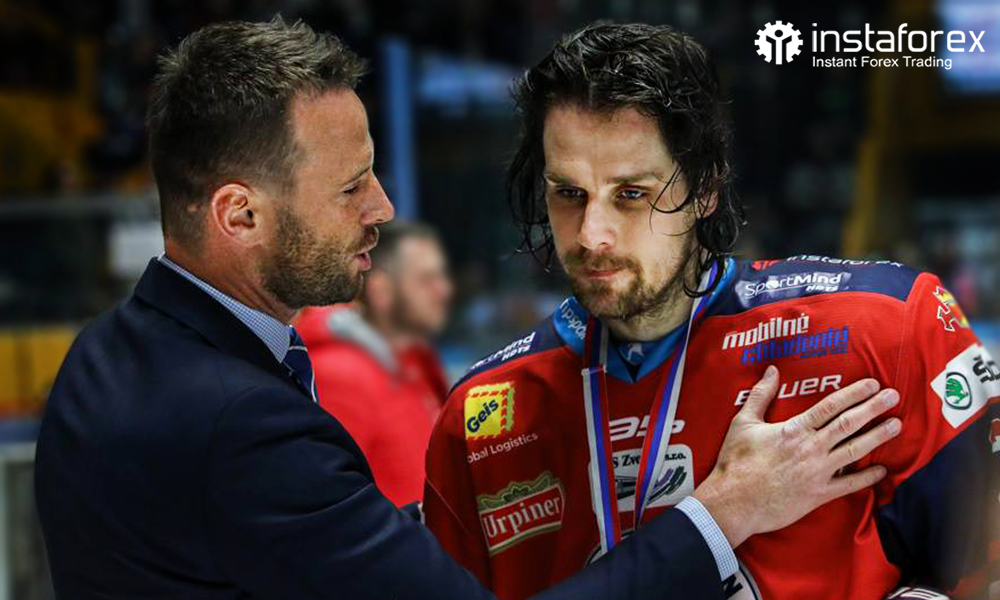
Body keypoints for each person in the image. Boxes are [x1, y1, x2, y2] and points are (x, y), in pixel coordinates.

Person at [34, 17, 898, 600]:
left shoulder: (104, 356)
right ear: (239, 214)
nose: (382, 205)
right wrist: (725, 511)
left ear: (703, 190)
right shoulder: (239, 426)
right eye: (350, 185)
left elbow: (296, 549)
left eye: (632, 192)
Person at [423, 21, 999, 600]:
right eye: (569, 194)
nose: (592, 234)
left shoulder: (887, 326)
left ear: (704, 189)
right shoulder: (480, 421)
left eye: (632, 194)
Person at [295, 221, 452, 506]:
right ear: (382, 291)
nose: (444, 291)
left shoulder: (414, 364)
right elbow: (326, 502)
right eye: (426, 280)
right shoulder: (340, 374)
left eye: (441, 276)